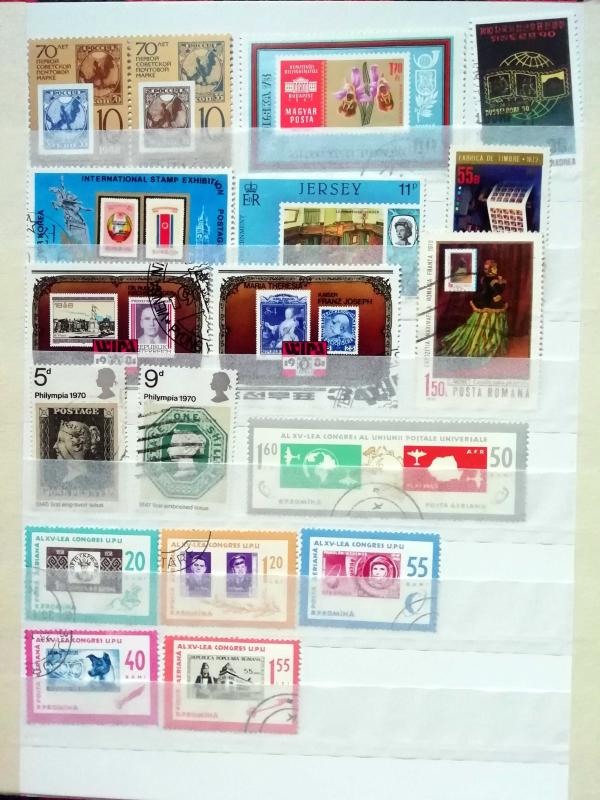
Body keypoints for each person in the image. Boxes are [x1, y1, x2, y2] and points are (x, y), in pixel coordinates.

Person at [438, 258, 508, 358]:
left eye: (488, 268)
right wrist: (500, 282)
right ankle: (486, 343)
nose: (487, 270)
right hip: (489, 303)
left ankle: (485, 341)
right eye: (486, 268)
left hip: (487, 301)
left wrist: (499, 286)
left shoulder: (487, 278)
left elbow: (490, 291)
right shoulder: (492, 280)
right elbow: (497, 290)